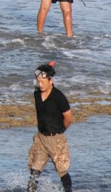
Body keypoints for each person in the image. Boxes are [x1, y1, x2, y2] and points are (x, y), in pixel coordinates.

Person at [27, 63, 73, 192]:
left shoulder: (59, 97)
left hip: (56, 139)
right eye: (38, 81)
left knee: (62, 170)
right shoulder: (36, 93)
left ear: (50, 80)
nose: (40, 84)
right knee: (34, 170)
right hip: (41, 138)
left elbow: (68, 118)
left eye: (42, 81)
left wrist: (60, 131)